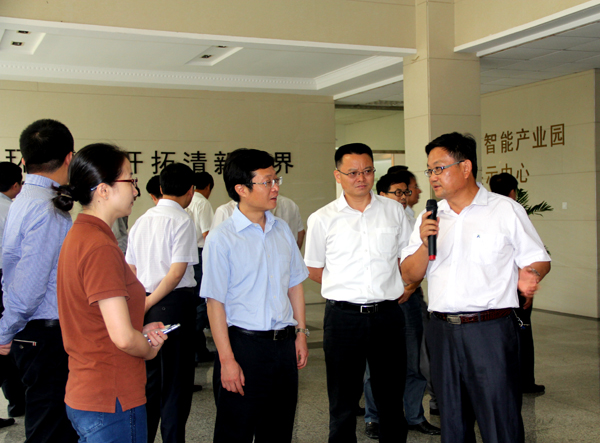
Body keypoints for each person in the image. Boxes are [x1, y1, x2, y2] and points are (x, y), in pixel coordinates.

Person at [401, 132, 551, 443]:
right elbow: (409, 274)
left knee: (500, 421)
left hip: (490, 331)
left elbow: (538, 258)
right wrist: (425, 242)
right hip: (441, 332)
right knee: (452, 422)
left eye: (439, 168)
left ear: (466, 167)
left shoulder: (504, 210)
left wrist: (531, 273)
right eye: (429, 170)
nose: (432, 177)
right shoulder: (429, 217)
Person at [54, 143, 167, 442]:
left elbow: (97, 321)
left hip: (89, 389)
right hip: (111, 396)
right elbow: (122, 338)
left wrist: (140, 331)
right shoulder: (100, 246)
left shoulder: (81, 234)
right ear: (103, 190)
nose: (135, 190)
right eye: (130, 180)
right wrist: (148, 349)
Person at [305, 143, 411, 443]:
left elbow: (406, 258)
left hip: (387, 315)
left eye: (367, 171)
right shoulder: (322, 218)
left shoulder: (394, 210)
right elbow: (314, 268)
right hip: (343, 318)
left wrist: (403, 286)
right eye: (352, 173)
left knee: (391, 398)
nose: (361, 178)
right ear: (337, 175)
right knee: (343, 400)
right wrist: (346, 287)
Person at [201, 148, 309, 443]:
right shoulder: (222, 238)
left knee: (278, 431)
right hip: (243, 347)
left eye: (276, 180)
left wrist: (300, 333)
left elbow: (295, 284)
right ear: (241, 189)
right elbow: (214, 303)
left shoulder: (282, 230)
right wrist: (227, 360)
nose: (275, 188)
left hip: (283, 346)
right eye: (267, 182)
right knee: (235, 432)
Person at [0, 119, 78, 442]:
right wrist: (4, 331)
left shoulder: (22, 200)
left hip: (32, 331)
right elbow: (29, 288)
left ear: (24, 158)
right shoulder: (47, 208)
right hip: (45, 333)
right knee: (50, 429)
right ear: (69, 157)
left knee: (47, 422)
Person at [361, 172, 440, 439]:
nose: (404, 197)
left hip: (409, 300)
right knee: (377, 366)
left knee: (414, 362)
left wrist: (410, 287)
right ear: (382, 195)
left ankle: (415, 416)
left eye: (406, 192)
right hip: (383, 303)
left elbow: (418, 262)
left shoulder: (414, 220)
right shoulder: (370, 220)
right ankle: (374, 417)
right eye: (397, 192)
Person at [126, 163, 199, 443]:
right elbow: (176, 273)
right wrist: (148, 304)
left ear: (160, 188)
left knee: (151, 381)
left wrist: (142, 304)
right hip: (174, 304)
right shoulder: (182, 220)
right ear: (191, 191)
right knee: (176, 383)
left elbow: (130, 269)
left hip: (145, 302)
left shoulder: (142, 220)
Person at [489, 172, 546, 395]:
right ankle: (525, 382)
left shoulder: (488, 213)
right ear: (513, 192)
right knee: (522, 334)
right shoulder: (515, 212)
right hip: (516, 288)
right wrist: (528, 288)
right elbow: (530, 256)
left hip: (495, 289)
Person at [0, 162, 25, 428]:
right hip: (5, 279)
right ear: (16, 185)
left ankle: (16, 401)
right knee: (7, 344)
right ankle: (18, 401)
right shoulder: (11, 210)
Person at [185, 172, 215, 364]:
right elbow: (208, 235)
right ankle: (195, 350)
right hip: (202, 255)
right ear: (208, 187)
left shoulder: (186, 200)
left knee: (195, 302)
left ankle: (198, 350)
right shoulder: (202, 202)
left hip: (189, 254)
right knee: (203, 303)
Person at [211, 194, 305, 250]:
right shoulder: (225, 211)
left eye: (274, 180)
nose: (275, 187)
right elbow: (300, 233)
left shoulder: (281, 221)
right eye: (266, 182)